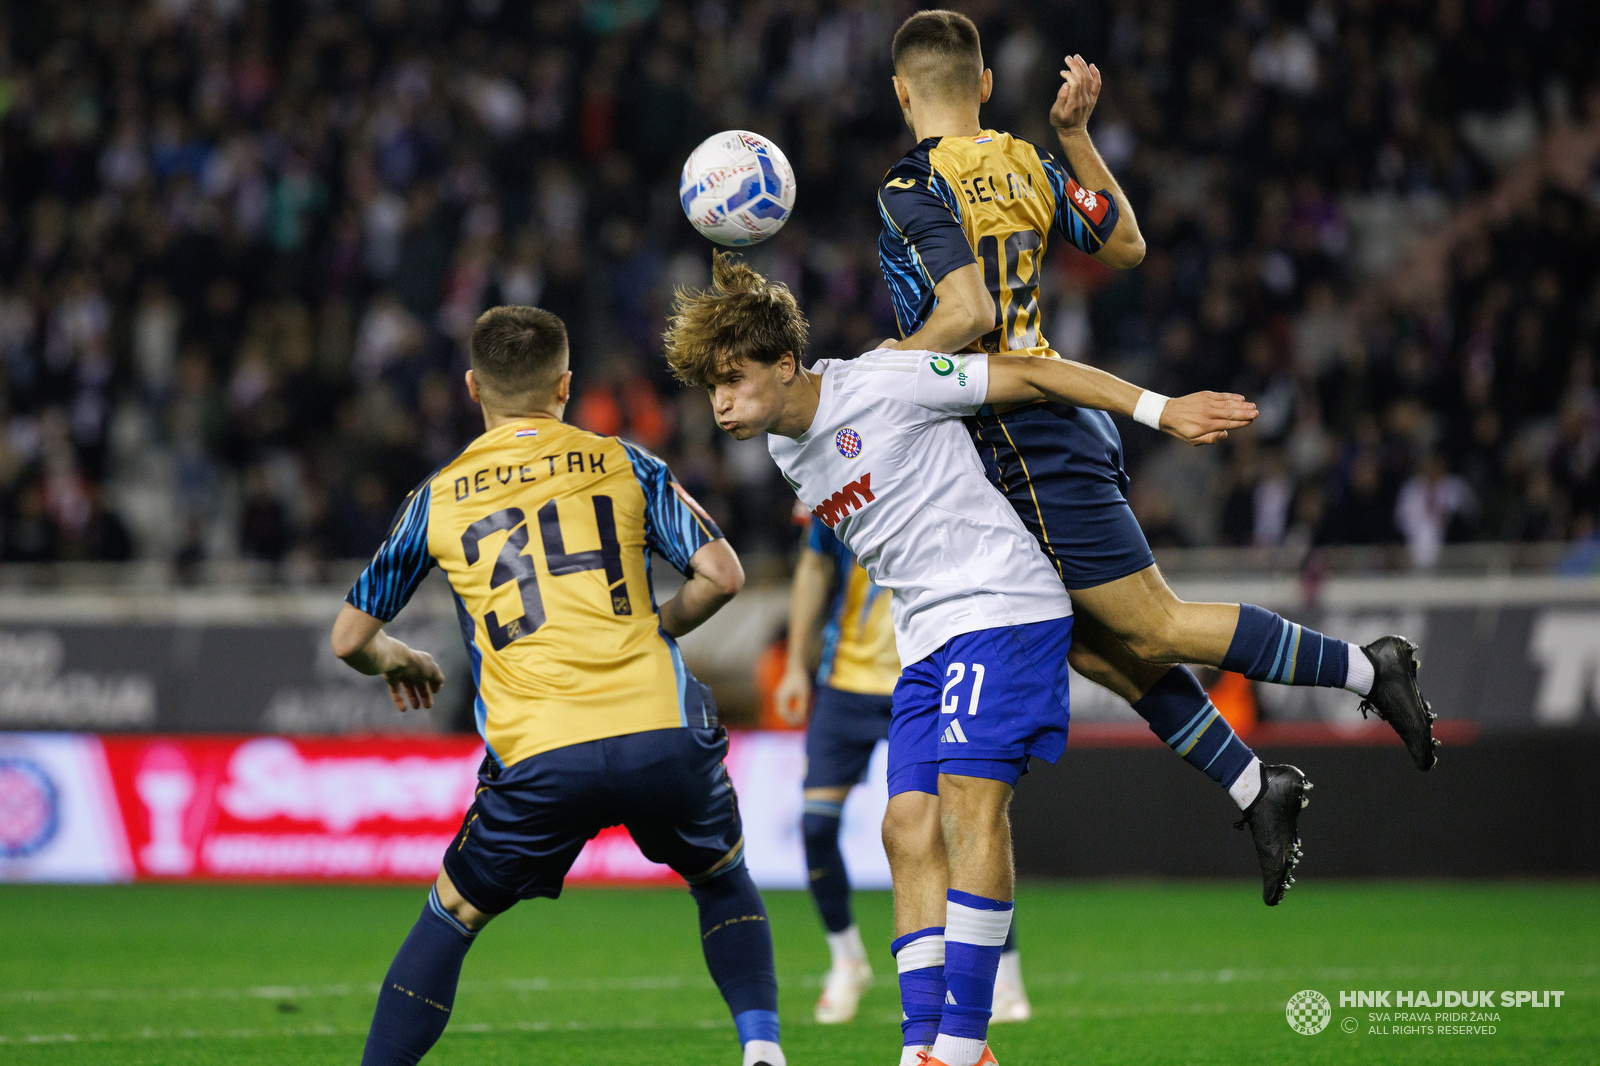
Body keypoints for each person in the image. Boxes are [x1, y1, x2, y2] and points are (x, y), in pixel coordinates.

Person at [874, 9, 1437, 897]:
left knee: (1157, 626)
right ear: (983, 88)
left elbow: (967, 315)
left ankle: (1371, 667)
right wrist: (1076, 137)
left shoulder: (910, 186)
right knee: (1099, 651)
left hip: (1025, 435)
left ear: (901, 92)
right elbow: (1127, 244)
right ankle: (1257, 787)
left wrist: (876, 372)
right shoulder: (1025, 161)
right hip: (1041, 425)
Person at [664, 251, 1252, 1066]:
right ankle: (925, 1047)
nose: (720, 403)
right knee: (905, 828)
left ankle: (963, 1043)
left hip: (1003, 606)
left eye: (732, 380)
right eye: (711, 388)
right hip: (928, 637)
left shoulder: (883, 382)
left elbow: (1032, 374)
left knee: (969, 808)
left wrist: (1161, 410)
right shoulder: (783, 450)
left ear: (787, 366)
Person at [332, 306, 785, 1066]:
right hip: (658, 734)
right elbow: (723, 574)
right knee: (719, 875)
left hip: (541, 754)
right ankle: (763, 1050)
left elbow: (349, 637)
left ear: (474, 387)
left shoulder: (439, 497)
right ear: (566, 386)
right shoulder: (623, 461)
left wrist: (397, 659)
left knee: (452, 915)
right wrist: (656, 627)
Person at [777, 517, 1031, 1025]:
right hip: (844, 681)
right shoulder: (835, 475)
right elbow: (814, 562)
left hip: (925, 678)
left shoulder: (939, 464)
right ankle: (846, 959)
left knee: (961, 825)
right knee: (815, 825)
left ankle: (1003, 975)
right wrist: (793, 664)